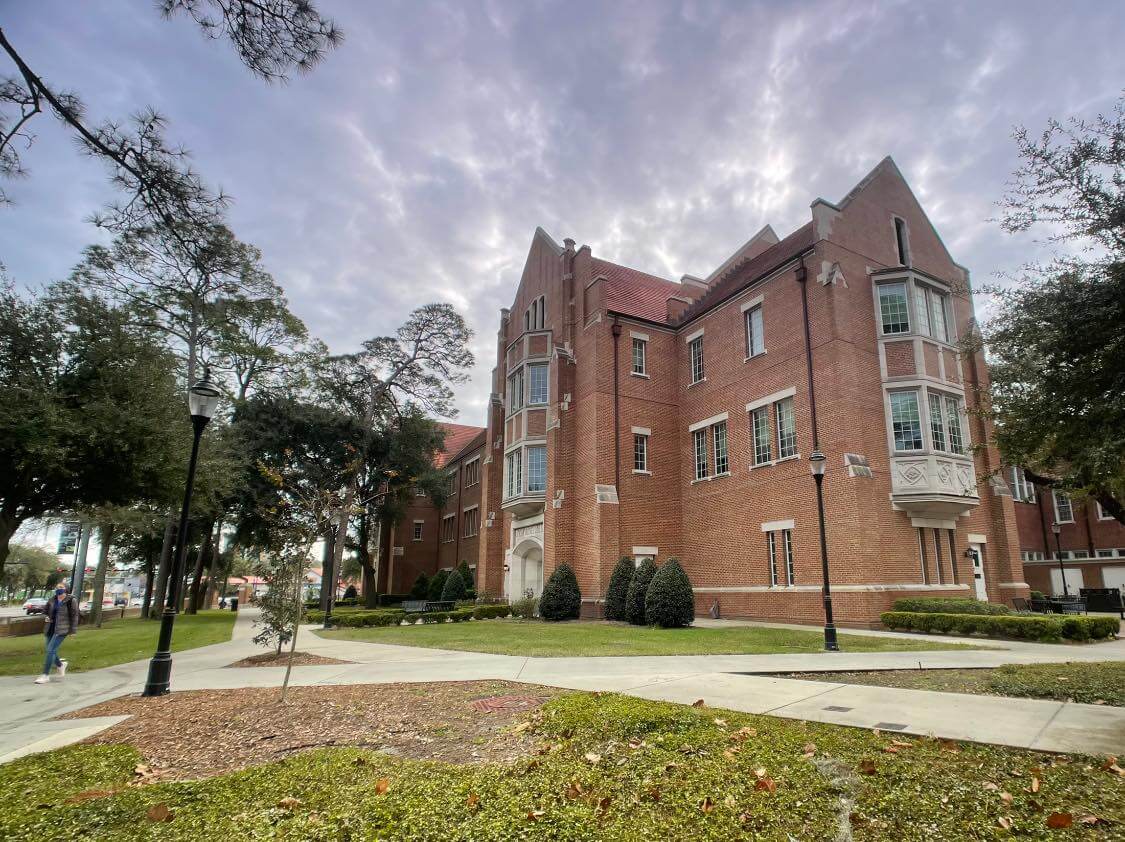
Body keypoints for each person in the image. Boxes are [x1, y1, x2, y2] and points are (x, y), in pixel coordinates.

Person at [36, 585, 78, 685]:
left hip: (62, 629)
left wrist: (73, 631)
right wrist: (46, 616)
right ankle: (60, 665)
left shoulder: (71, 600)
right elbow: (45, 611)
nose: (58, 588)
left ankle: (45, 675)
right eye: (57, 587)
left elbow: (75, 616)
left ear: (65, 589)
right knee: (50, 650)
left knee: (50, 650)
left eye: (60, 587)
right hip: (50, 628)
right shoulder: (52, 599)